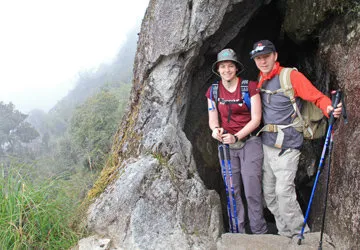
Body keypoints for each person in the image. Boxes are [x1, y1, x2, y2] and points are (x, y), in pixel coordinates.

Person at [249, 40, 342, 237]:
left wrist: (329, 108)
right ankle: (285, 234)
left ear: (275, 56)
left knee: (284, 193)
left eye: (266, 56)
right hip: (268, 145)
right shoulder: (261, 78)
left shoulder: (290, 76)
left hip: (288, 145)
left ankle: (301, 234)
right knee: (270, 195)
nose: (262, 61)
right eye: (258, 58)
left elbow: (316, 97)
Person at [206, 48, 267, 234]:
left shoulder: (250, 87)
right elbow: (212, 119)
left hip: (250, 142)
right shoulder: (213, 91)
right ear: (218, 69)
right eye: (223, 66)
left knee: (252, 189)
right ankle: (238, 232)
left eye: (230, 66)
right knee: (232, 190)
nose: (226, 70)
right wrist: (215, 131)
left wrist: (237, 136)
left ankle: (259, 232)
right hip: (227, 147)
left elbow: (256, 119)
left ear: (236, 68)